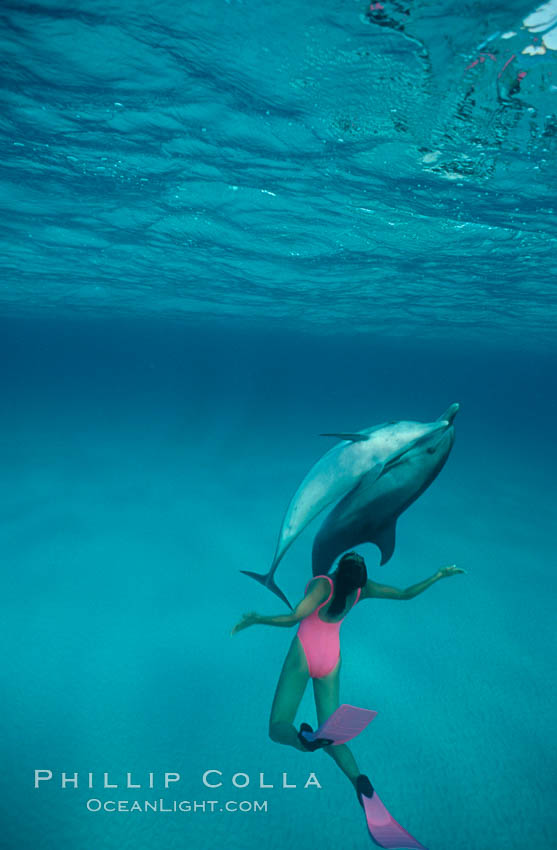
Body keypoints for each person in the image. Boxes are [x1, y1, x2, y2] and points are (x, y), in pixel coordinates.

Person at [231, 551, 464, 794]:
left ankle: (303, 742)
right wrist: (438, 575)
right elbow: (404, 594)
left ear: (340, 568)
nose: (359, 555)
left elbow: (294, 618)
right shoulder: (362, 589)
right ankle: (358, 781)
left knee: (278, 726)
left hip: (304, 654)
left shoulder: (323, 585)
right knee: (332, 735)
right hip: (331, 660)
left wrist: (257, 619)